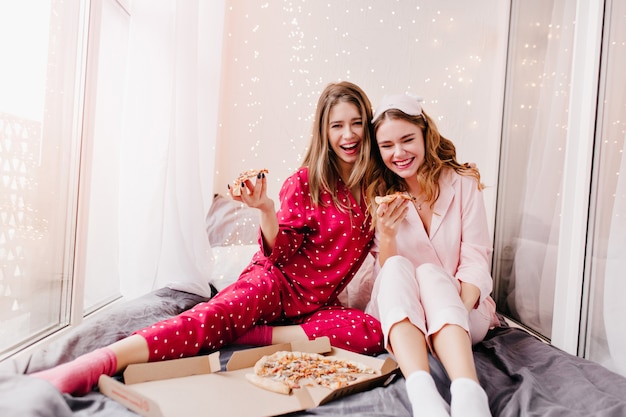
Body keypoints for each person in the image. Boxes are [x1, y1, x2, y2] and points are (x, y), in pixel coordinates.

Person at [31, 81, 384, 396]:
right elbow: (280, 253)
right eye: (337, 125)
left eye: (355, 123)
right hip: (275, 284)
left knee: (371, 331)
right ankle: (100, 361)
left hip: (314, 308)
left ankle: (248, 334)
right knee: (204, 321)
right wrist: (265, 209)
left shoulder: (378, 193)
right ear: (324, 131)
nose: (348, 134)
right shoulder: (304, 181)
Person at [364, 93, 500, 417]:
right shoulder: (378, 196)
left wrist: (456, 310)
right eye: (387, 146)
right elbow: (388, 280)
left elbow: (476, 261)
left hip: (464, 308)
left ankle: (469, 393)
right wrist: (387, 234)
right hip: (407, 317)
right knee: (397, 265)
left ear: (425, 133)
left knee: (428, 273)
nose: (399, 153)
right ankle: (423, 394)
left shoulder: (463, 183)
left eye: (407, 139)